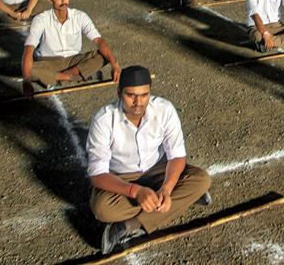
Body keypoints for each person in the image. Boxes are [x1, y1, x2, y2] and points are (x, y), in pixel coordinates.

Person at [87, 65, 211, 254]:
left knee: (202, 180)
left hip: (158, 169)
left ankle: (127, 226)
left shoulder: (164, 109)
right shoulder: (104, 120)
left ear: (150, 92)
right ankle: (182, 199)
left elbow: (177, 155)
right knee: (102, 209)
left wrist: (167, 189)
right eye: (131, 95)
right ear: (119, 93)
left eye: (144, 95)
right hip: (122, 177)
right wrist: (135, 191)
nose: (138, 102)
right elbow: (98, 175)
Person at [21, 0, 121, 94]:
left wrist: (115, 65)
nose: (64, 1)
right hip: (49, 61)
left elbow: (99, 40)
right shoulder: (41, 19)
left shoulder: (80, 16)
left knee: (106, 54)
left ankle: (57, 78)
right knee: (29, 70)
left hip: (73, 60)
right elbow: (29, 50)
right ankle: (75, 76)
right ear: (50, 0)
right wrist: (26, 81)